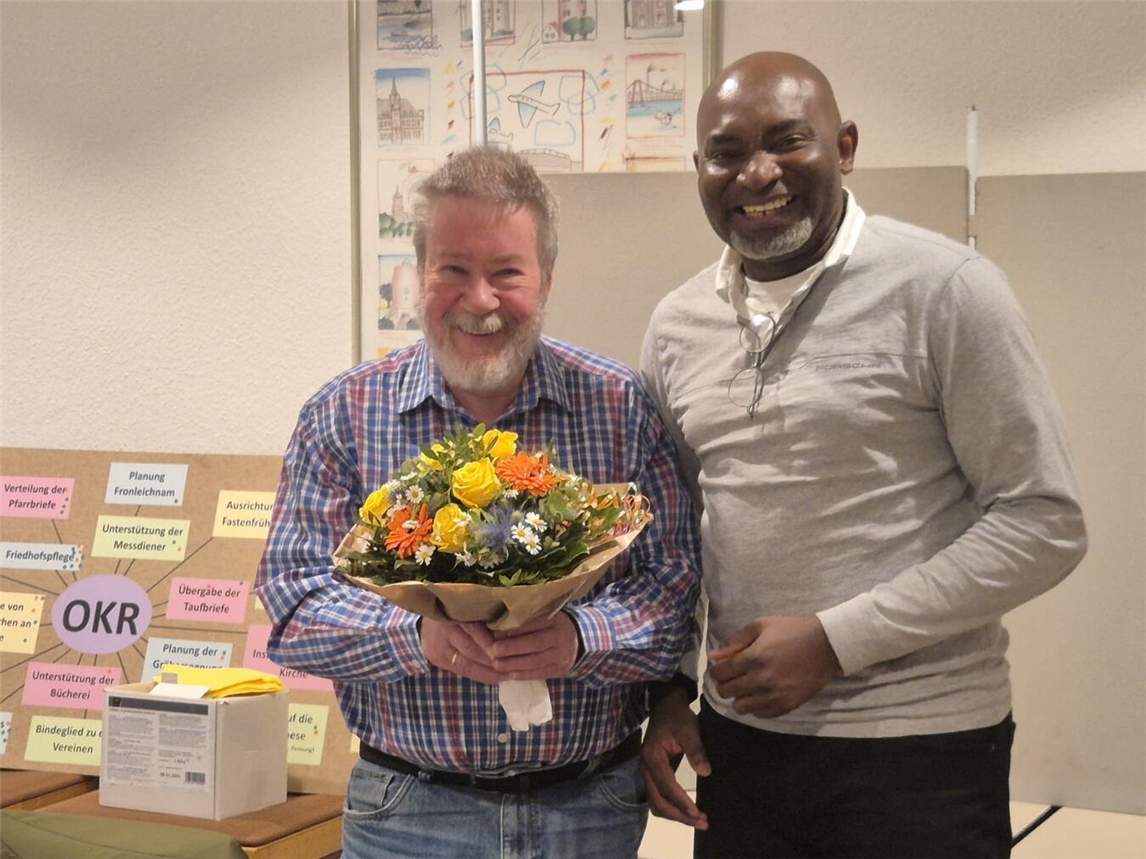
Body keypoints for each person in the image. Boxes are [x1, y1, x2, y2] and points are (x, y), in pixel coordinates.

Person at [637, 51, 1087, 859]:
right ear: (698, 169)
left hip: (921, 750)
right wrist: (668, 689)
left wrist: (837, 639)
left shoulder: (948, 288)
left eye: (788, 141)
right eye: (727, 153)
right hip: (740, 747)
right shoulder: (676, 326)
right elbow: (669, 540)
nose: (758, 172)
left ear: (844, 146)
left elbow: (1043, 521)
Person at [256, 147, 701, 859]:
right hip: (407, 811)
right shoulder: (342, 414)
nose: (481, 300)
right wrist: (419, 634)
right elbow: (293, 605)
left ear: (547, 277)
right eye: (453, 270)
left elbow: (674, 591)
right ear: (418, 275)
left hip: (590, 808)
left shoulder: (620, 407)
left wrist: (580, 638)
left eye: (507, 273)